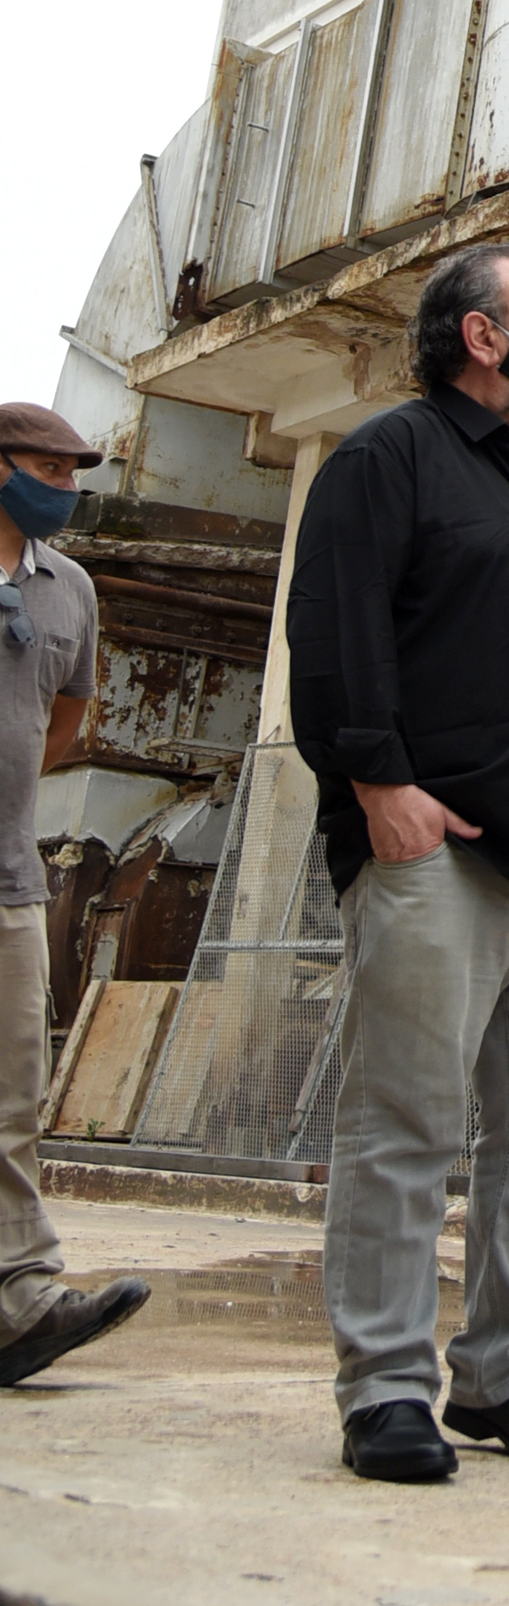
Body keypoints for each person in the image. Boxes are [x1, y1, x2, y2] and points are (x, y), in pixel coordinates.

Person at [287, 243, 509, 1483]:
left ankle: (506, 1373)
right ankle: (385, 1386)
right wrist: (380, 784)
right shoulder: (389, 457)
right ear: (483, 337)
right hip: (438, 854)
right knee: (406, 1121)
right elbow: (334, 629)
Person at [0, 404, 150, 1385]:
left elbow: (62, 720)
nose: (64, 480)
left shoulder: (71, 589)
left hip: (8, 880)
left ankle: (21, 1298)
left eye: (73, 466)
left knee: (11, 1097)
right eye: (45, 464)